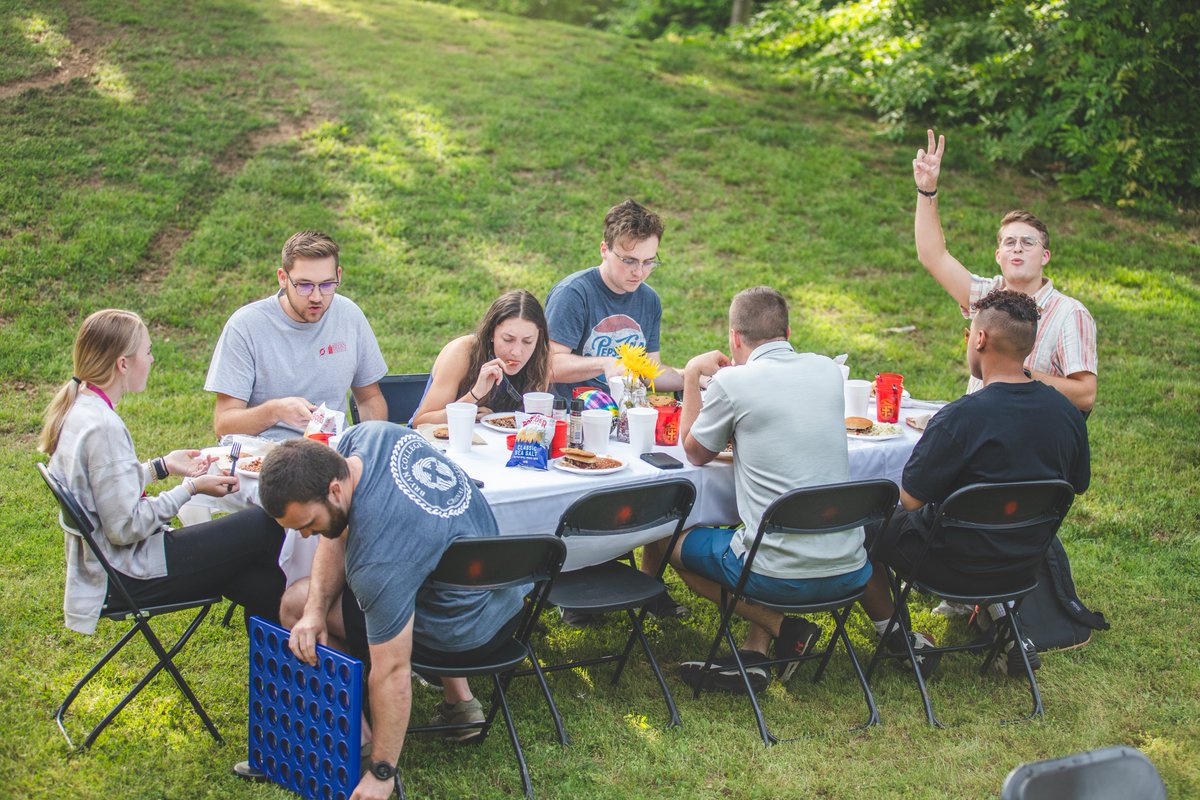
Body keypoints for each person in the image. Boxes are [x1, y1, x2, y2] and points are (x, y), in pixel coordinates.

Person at [259, 425, 529, 799]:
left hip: (461, 636)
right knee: (323, 603)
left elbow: (393, 673)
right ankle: (461, 706)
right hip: (505, 602)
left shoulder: (379, 560)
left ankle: (362, 742)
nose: (305, 536)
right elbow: (338, 531)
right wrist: (316, 610)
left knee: (293, 604)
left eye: (307, 524)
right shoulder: (369, 437)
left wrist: (382, 773)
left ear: (334, 490)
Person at [643, 287, 871, 693]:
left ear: (735, 337)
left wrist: (693, 375)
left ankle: (784, 628)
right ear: (787, 330)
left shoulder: (733, 382)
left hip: (777, 572)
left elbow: (694, 451)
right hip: (851, 566)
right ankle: (754, 654)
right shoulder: (825, 370)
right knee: (762, 525)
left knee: (666, 538)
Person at [859, 289, 1091, 678]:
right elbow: (1076, 485)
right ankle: (1007, 625)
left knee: (860, 529)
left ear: (979, 339)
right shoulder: (1066, 412)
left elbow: (911, 501)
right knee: (985, 528)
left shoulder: (960, 417)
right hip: (1022, 562)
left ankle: (898, 637)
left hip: (953, 564)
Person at [39, 309, 286, 635]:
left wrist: (162, 466)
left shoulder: (80, 410)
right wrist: (191, 488)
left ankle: (278, 664)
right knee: (263, 524)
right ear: (122, 364)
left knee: (261, 581)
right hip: (130, 574)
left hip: (112, 566)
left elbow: (105, 489)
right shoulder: (103, 427)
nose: (152, 360)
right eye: (148, 351)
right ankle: (294, 659)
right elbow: (126, 526)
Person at [913, 129, 1097, 413]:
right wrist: (927, 190)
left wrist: (1016, 374)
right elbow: (932, 256)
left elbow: (1085, 396)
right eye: (1009, 242)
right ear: (998, 256)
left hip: (1030, 438)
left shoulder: (1069, 313)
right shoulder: (987, 295)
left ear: (1045, 256)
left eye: (1028, 242)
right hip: (976, 424)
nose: (1018, 248)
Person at [205, 230, 389, 441]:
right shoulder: (245, 326)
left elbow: (369, 399)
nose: (316, 297)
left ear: (339, 275)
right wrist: (274, 411)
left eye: (327, 285)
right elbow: (224, 424)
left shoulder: (349, 315)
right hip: (266, 456)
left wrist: (371, 447)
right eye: (304, 285)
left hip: (333, 454)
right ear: (283, 278)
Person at [544, 199, 684, 398]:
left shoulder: (649, 299)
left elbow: (649, 372)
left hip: (626, 416)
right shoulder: (573, 294)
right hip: (573, 416)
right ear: (604, 250)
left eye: (648, 262)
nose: (639, 272)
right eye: (629, 260)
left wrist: (693, 375)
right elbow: (548, 366)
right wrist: (605, 363)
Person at [411, 290, 550, 426]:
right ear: (491, 333)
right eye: (508, 339)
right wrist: (474, 396)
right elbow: (421, 422)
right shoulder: (463, 352)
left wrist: (493, 419)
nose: (517, 352)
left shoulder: (540, 360)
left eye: (527, 341)